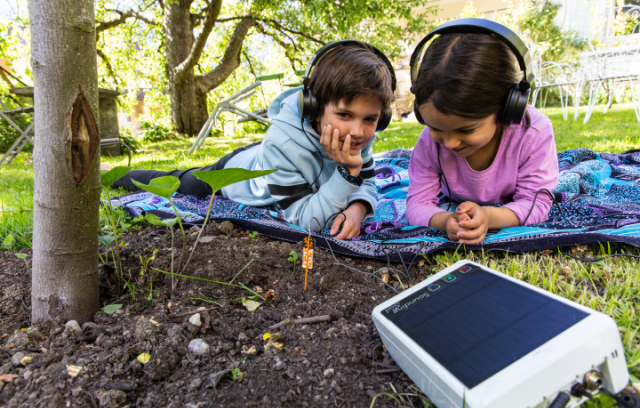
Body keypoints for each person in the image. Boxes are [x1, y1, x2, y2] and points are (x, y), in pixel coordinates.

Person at [114, 41, 396, 240]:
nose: (358, 131)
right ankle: (120, 176)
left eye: (370, 119)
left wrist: (357, 210)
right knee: (177, 181)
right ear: (314, 106)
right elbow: (307, 220)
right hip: (236, 175)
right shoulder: (283, 145)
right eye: (345, 114)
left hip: (265, 155)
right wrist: (347, 174)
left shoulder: (358, 137)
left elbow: (367, 181)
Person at [406, 19, 559, 244]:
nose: (449, 143)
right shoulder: (429, 143)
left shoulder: (534, 133)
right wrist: (445, 220)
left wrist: (489, 216)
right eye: (436, 128)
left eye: (466, 130)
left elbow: (536, 205)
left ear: (508, 108)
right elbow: (417, 204)